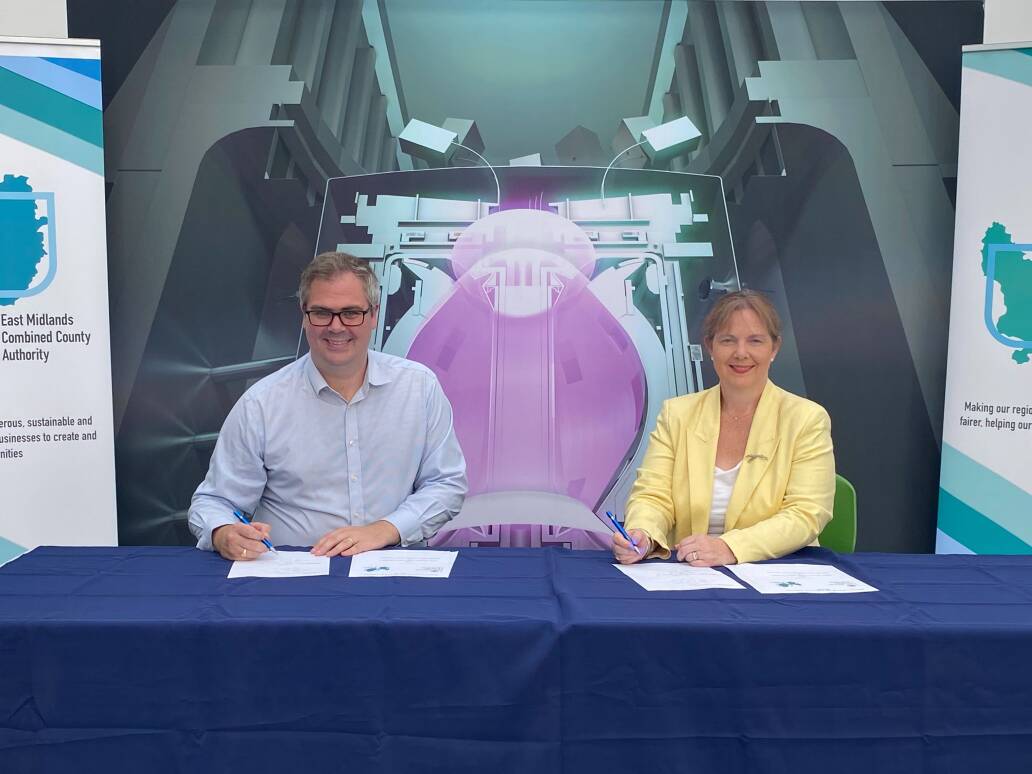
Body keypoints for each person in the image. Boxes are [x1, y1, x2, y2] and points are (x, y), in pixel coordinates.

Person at [188, 252, 468, 561]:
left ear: (373, 314)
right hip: (294, 577)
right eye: (322, 313)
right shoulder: (261, 404)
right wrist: (224, 532)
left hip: (393, 570)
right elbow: (214, 502)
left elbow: (447, 484)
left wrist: (385, 529)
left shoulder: (419, 388)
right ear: (303, 315)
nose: (336, 327)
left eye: (351, 313)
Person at [612, 290, 835, 567]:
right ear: (710, 347)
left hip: (777, 573)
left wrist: (728, 547)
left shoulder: (806, 419)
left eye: (755, 341)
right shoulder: (677, 414)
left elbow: (806, 513)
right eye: (728, 340)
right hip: (692, 573)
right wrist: (643, 534)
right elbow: (653, 495)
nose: (741, 353)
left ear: (774, 348)